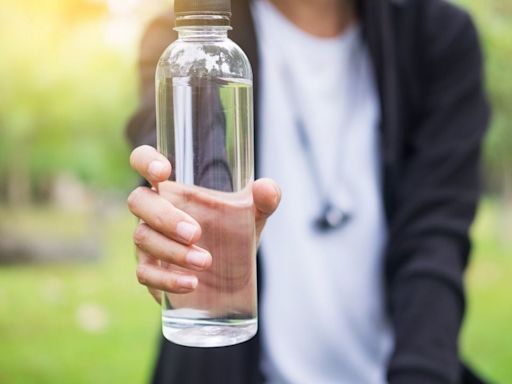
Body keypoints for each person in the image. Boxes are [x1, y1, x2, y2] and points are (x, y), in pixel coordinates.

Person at [126, 0, 490, 383]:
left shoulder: (437, 36)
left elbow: (435, 239)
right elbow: (175, 169)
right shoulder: (186, 43)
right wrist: (172, 230)